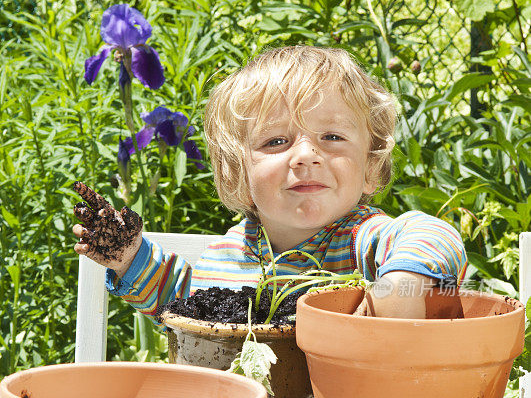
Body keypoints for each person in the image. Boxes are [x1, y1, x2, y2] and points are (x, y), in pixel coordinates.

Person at [72, 46, 467, 323]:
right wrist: (127, 258)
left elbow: (436, 235)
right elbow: (178, 307)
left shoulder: (366, 242)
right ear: (237, 175)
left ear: (370, 164)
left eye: (332, 137)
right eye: (276, 141)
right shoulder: (225, 256)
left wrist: (400, 284)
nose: (306, 155)